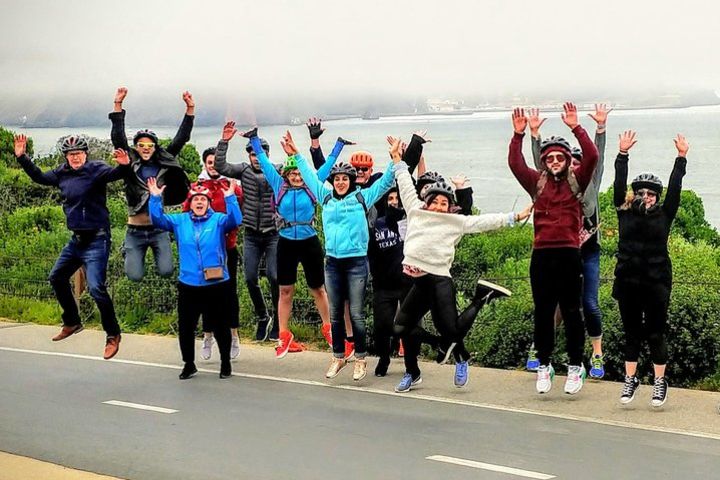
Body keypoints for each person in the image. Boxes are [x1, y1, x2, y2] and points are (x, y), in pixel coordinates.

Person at [391, 138, 524, 392]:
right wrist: (397, 160)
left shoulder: (455, 221)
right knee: (400, 327)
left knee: (452, 331)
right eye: (436, 201)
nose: (440, 206)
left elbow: (484, 222)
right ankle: (441, 347)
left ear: (449, 207)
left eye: (444, 203)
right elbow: (405, 183)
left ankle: (481, 298)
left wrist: (513, 217)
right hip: (418, 281)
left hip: (439, 280)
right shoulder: (416, 210)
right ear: (427, 202)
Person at [508, 103, 599, 395]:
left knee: (573, 312)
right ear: (545, 162)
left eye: (561, 157)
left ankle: (575, 367)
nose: (556, 160)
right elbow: (515, 164)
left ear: (568, 160)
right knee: (544, 312)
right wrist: (518, 135)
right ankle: (544, 365)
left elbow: (593, 156)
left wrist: (576, 127)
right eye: (550, 158)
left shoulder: (577, 180)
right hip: (542, 255)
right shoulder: (537, 182)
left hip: (569, 254)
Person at [13, 134, 129, 359]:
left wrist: (125, 166)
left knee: (96, 288)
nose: (75, 158)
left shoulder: (96, 169)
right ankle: (73, 322)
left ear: (85, 154)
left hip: (97, 239)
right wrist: (22, 157)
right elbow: (39, 177)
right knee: (56, 277)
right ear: (66, 157)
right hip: (76, 241)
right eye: (70, 154)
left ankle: (113, 334)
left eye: (78, 153)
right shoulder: (61, 173)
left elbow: (116, 174)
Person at [239, 124, 351, 357]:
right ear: (286, 176)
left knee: (318, 289)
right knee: (285, 290)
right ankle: (283, 335)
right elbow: (266, 164)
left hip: (310, 241)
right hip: (286, 243)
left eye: (300, 174)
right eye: (293, 174)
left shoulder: (312, 185)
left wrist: (339, 145)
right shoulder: (279, 186)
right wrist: (255, 140)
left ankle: (329, 329)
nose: (298, 177)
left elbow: (327, 167)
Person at [294, 139, 396, 382]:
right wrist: (297, 154)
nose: (340, 182)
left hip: (357, 263)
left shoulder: (362, 198)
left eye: (345, 179)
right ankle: (339, 356)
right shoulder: (326, 198)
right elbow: (309, 177)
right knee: (336, 314)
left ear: (351, 182)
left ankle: (360, 359)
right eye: (337, 178)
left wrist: (394, 159)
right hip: (333, 262)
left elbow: (385, 183)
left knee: (358, 314)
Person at [525, 104, 611, 379]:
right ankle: (542, 351)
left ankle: (595, 353)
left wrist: (600, 128)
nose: (573, 165)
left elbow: (597, 158)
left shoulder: (588, 183)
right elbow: (540, 166)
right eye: (569, 161)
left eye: (576, 162)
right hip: (560, 251)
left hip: (586, 252)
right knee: (553, 307)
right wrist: (534, 135)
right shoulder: (551, 184)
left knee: (588, 304)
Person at [613, 130, 688, 407]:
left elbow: (676, 190)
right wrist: (622, 154)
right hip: (628, 280)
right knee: (631, 333)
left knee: (655, 333)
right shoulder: (623, 211)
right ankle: (630, 379)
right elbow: (619, 185)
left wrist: (681, 158)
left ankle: (659, 382)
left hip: (656, 281)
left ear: (657, 197)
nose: (645, 197)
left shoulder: (665, 214)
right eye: (641, 192)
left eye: (651, 193)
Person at [148, 177, 241, 380]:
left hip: (216, 283)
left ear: (208, 203)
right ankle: (189, 364)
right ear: (189, 203)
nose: (199, 202)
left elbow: (236, 220)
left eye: (203, 200)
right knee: (186, 326)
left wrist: (230, 198)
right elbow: (157, 220)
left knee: (220, 324)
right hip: (189, 284)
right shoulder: (180, 221)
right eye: (195, 199)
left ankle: (225, 361)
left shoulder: (218, 220)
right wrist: (155, 198)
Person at [109, 87, 192, 282]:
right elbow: (118, 138)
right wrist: (118, 105)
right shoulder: (129, 164)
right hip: (135, 230)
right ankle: (127, 249)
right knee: (134, 276)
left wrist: (190, 109)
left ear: (155, 147)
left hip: (159, 229)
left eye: (150, 146)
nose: (146, 149)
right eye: (141, 146)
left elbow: (181, 138)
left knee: (166, 271)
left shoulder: (164, 162)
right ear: (136, 148)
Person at [214, 124, 280, 342]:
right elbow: (220, 165)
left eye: (258, 154)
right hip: (251, 233)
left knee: (274, 276)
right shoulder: (243, 170)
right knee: (250, 278)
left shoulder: (276, 171)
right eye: (252, 154)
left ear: (267, 154)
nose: (255, 158)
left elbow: (301, 174)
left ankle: (279, 321)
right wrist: (224, 141)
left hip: (273, 235)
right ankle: (263, 316)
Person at [181, 146, 244, 360]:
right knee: (206, 296)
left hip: (227, 249)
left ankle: (234, 335)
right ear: (205, 164)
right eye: (210, 162)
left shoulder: (232, 186)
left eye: (217, 162)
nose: (214, 166)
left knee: (229, 295)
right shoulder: (197, 188)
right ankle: (207, 337)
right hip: (205, 252)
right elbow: (185, 215)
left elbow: (238, 212)